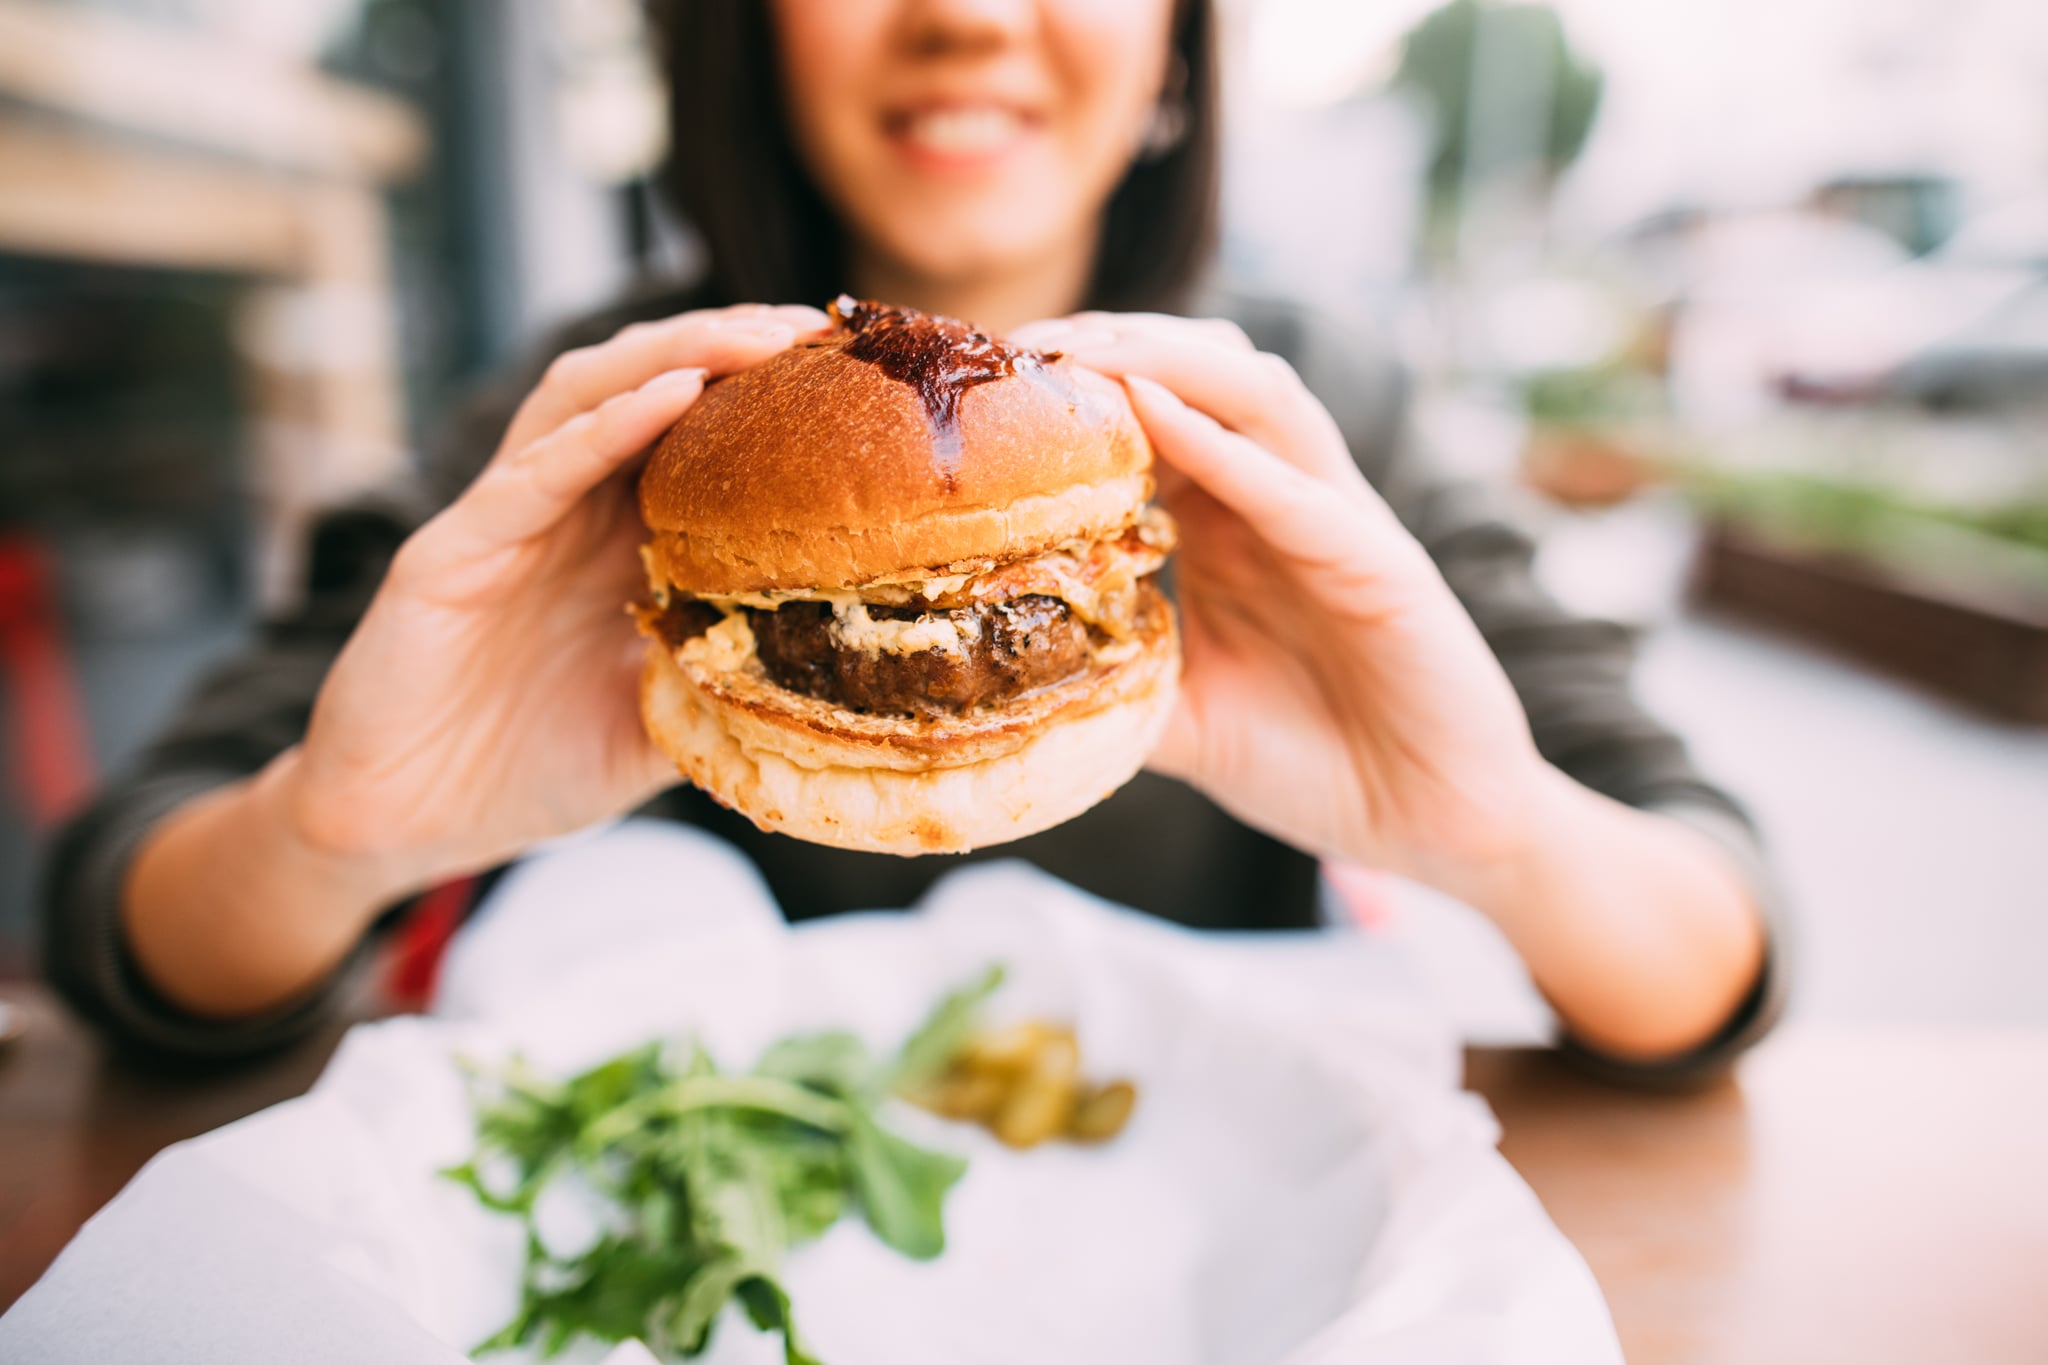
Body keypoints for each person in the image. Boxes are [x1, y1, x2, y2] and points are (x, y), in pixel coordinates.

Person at [42, 0, 1779, 1081]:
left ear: (1177, 36)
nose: (960, 14)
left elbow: (1721, 942)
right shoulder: (595, 431)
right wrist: (338, 836)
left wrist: (1496, 835)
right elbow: (121, 923)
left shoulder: (1307, 419)